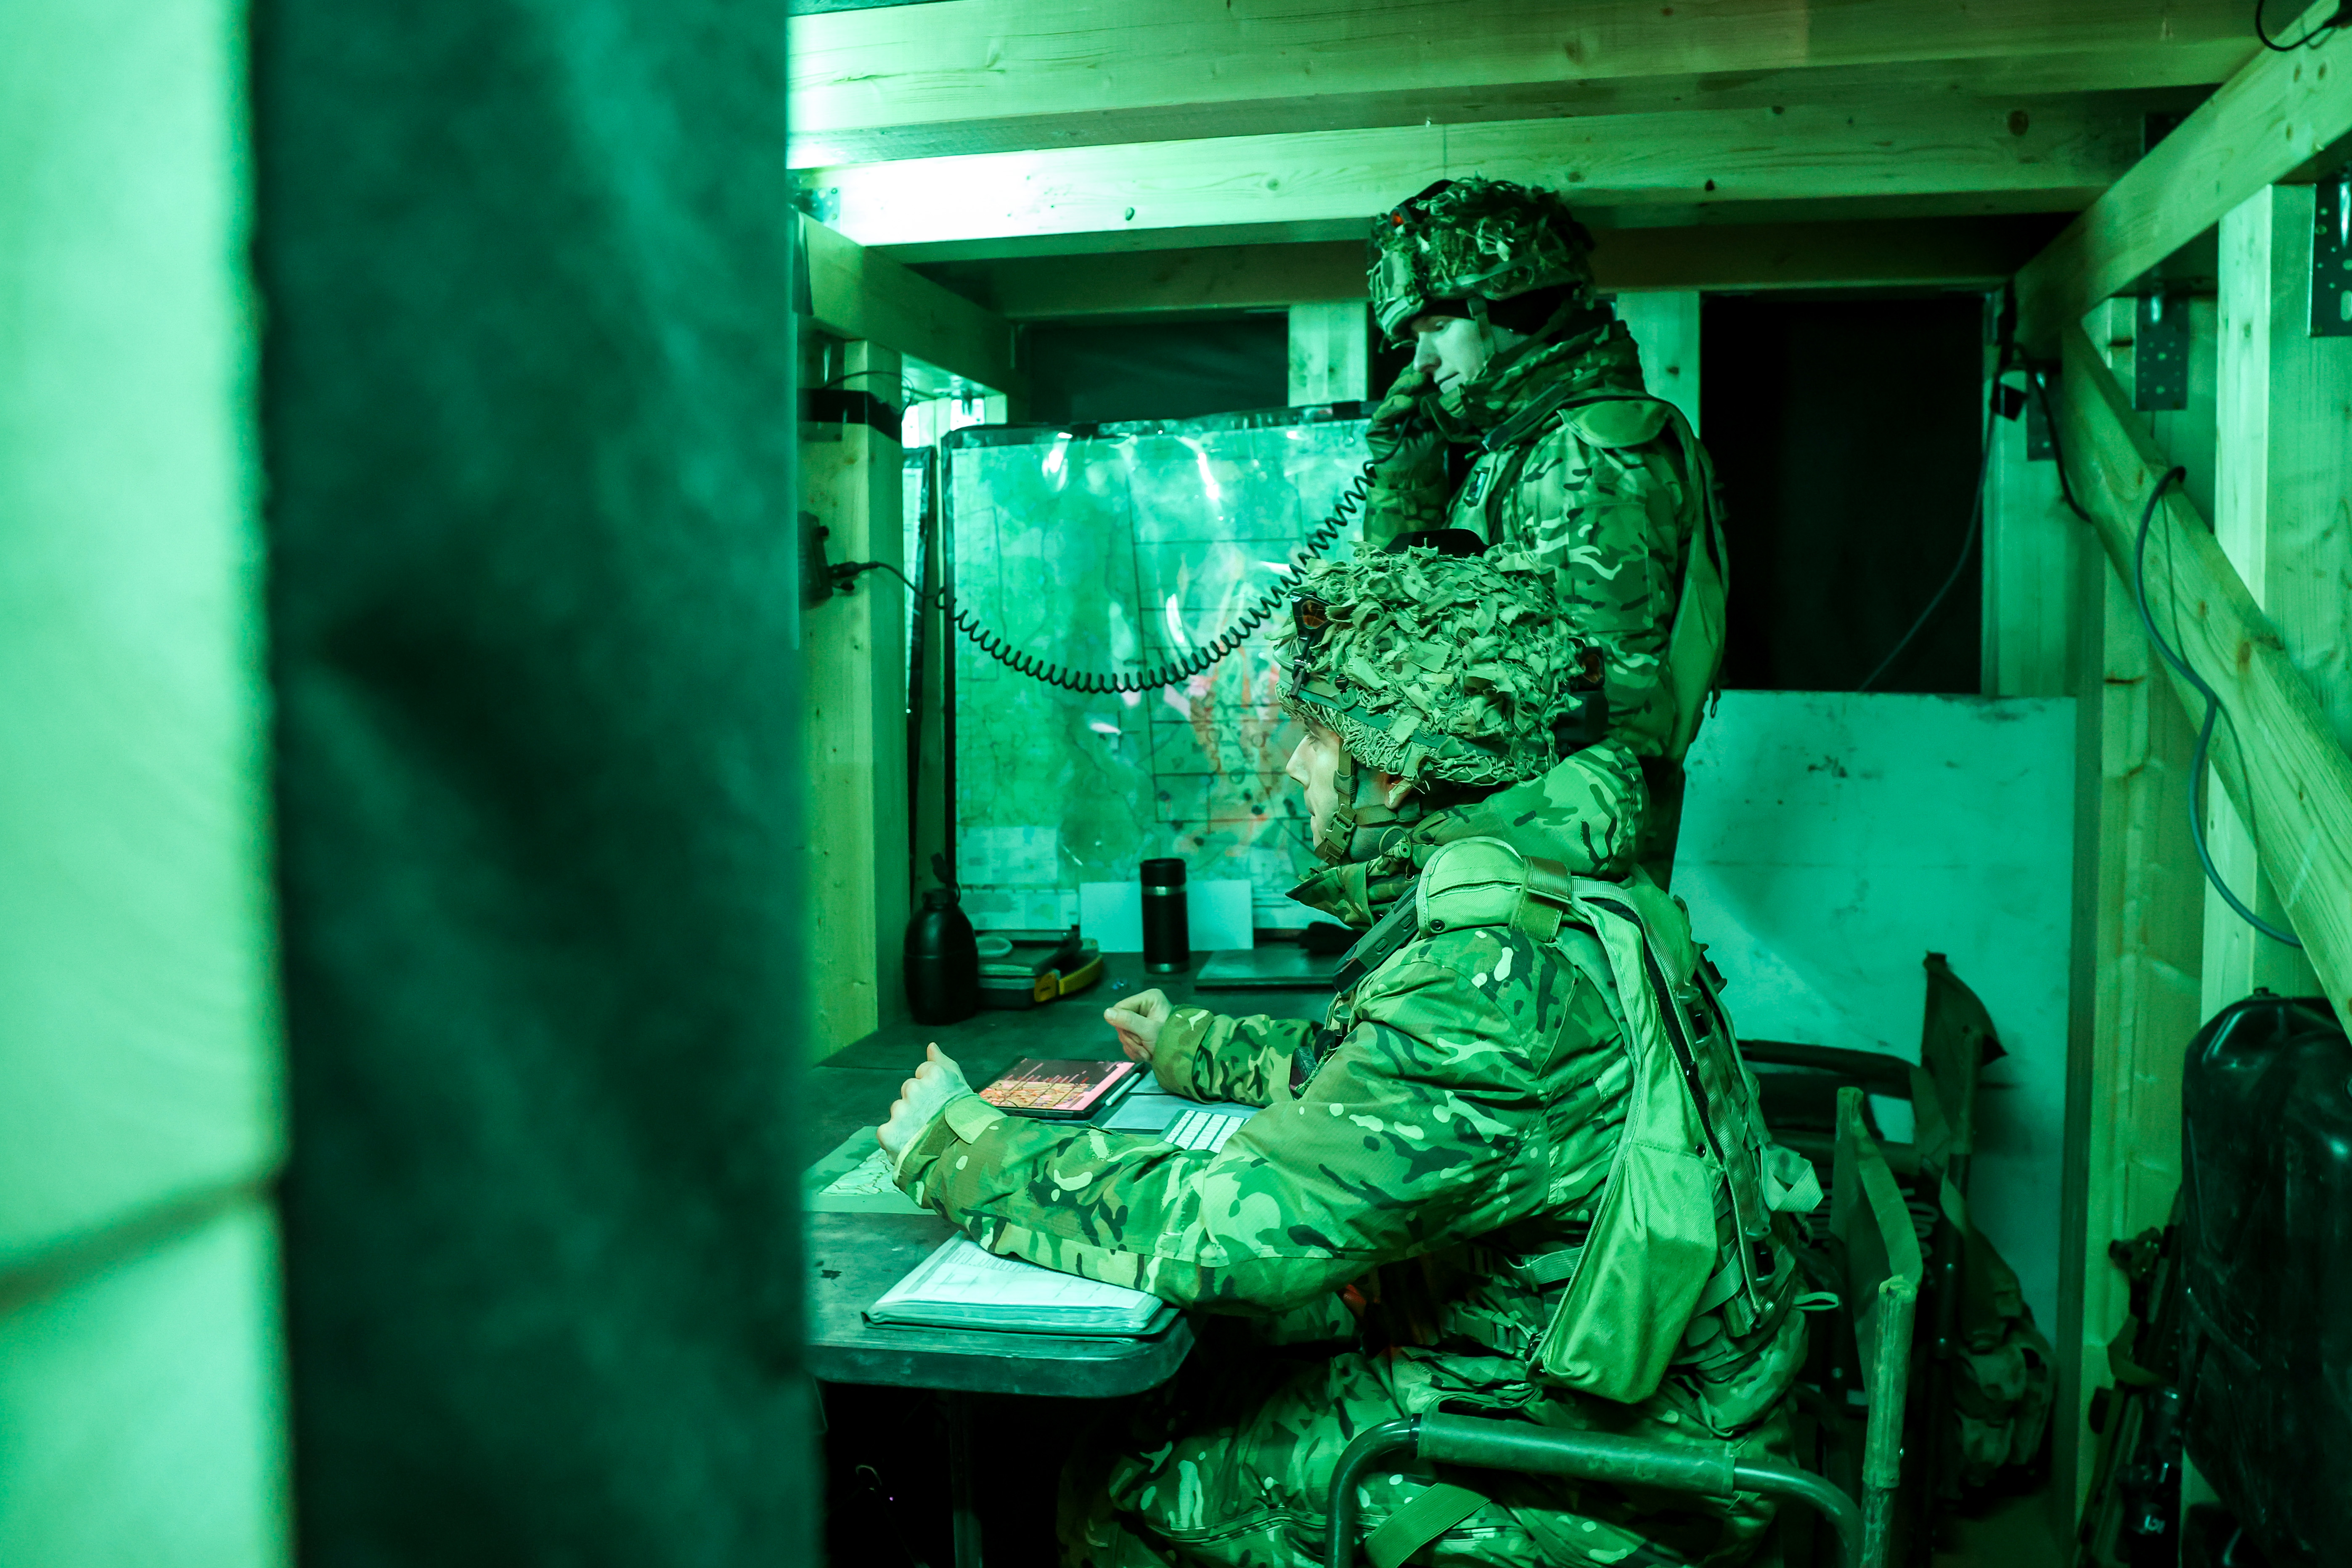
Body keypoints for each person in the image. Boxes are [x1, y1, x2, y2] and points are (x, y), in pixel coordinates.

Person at [878, 550, 1819, 1568]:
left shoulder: (1488, 987)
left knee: (1129, 1473)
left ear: (1396, 767)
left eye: (1319, 735)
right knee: (1232, 1357)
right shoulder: (1561, 890)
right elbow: (1388, 1093)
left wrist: (959, 1145)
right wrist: (1190, 1044)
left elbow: (1236, 1230)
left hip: (1620, 1478)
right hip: (1621, 1390)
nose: (1295, 766)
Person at [1362, 177, 1728, 881]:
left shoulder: (1585, 454)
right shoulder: (1518, 451)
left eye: (1437, 328)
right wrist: (1408, 481)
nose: (1421, 364)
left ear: (1510, 308)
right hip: (1523, 830)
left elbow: (1604, 712)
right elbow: (1405, 632)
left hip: (1562, 845)